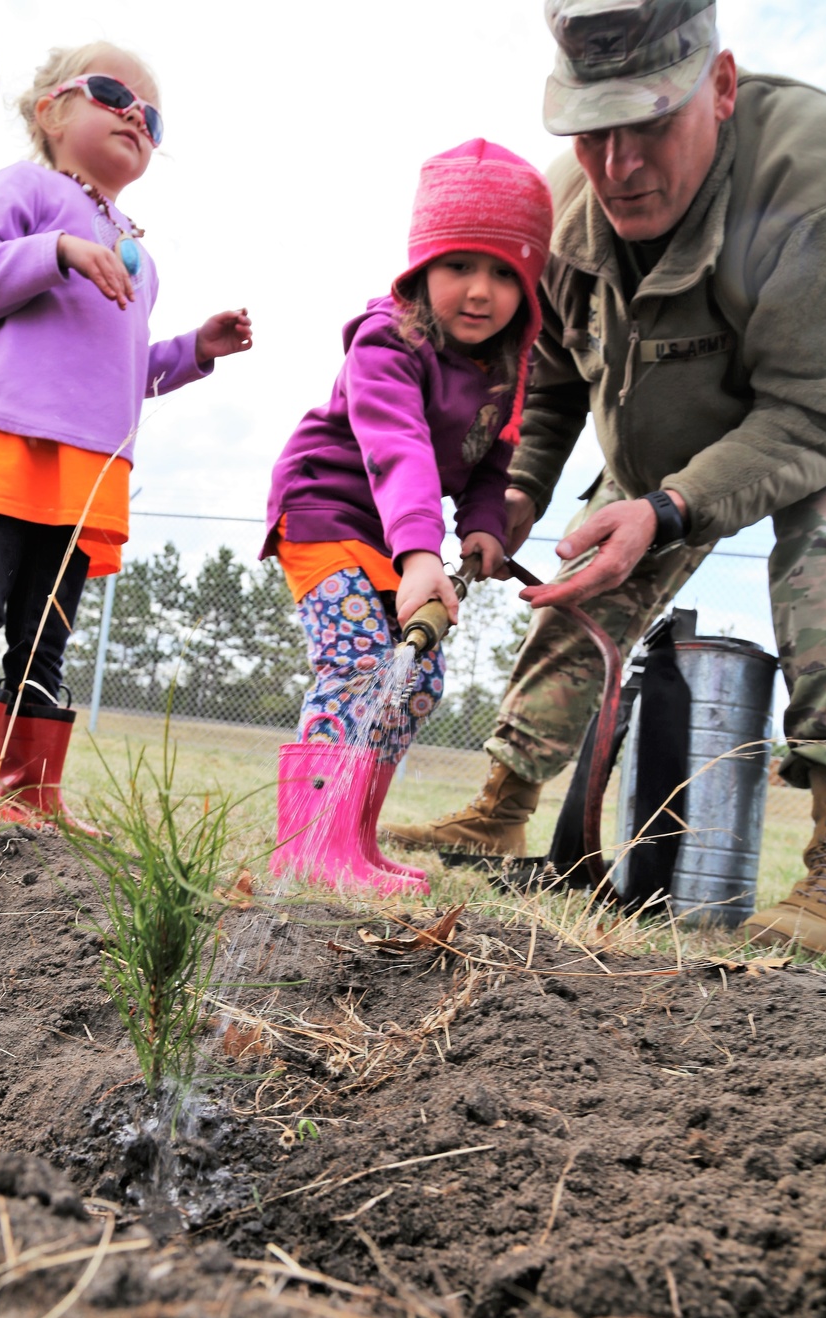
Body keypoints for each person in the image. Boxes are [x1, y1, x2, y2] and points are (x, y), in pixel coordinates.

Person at [385, 0, 826, 955]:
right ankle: (502, 807)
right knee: (578, 584)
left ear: (720, 87)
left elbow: (816, 411)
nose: (619, 166)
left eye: (649, 125)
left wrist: (673, 508)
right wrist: (519, 493)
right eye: (594, 132)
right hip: (656, 455)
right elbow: (553, 380)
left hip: (823, 426)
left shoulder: (819, 183)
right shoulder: (563, 216)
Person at [0, 41, 252, 819]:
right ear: (51, 112)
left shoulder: (138, 252)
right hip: (5, 439)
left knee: (48, 629)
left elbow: (124, 372)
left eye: (152, 116)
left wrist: (194, 351)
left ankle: (31, 795)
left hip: (90, 466)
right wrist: (55, 250)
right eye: (112, 94)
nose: (136, 116)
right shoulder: (24, 186)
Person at [263, 139, 553, 893]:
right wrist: (423, 553)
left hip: (401, 540)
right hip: (328, 513)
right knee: (362, 662)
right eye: (460, 266)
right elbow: (400, 450)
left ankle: (352, 842)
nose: (481, 291)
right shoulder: (387, 341)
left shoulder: (504, 369)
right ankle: (311, 846)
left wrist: (482, 525)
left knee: (416, 680)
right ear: (422, 268)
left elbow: (491, 462)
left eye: (505, 273)